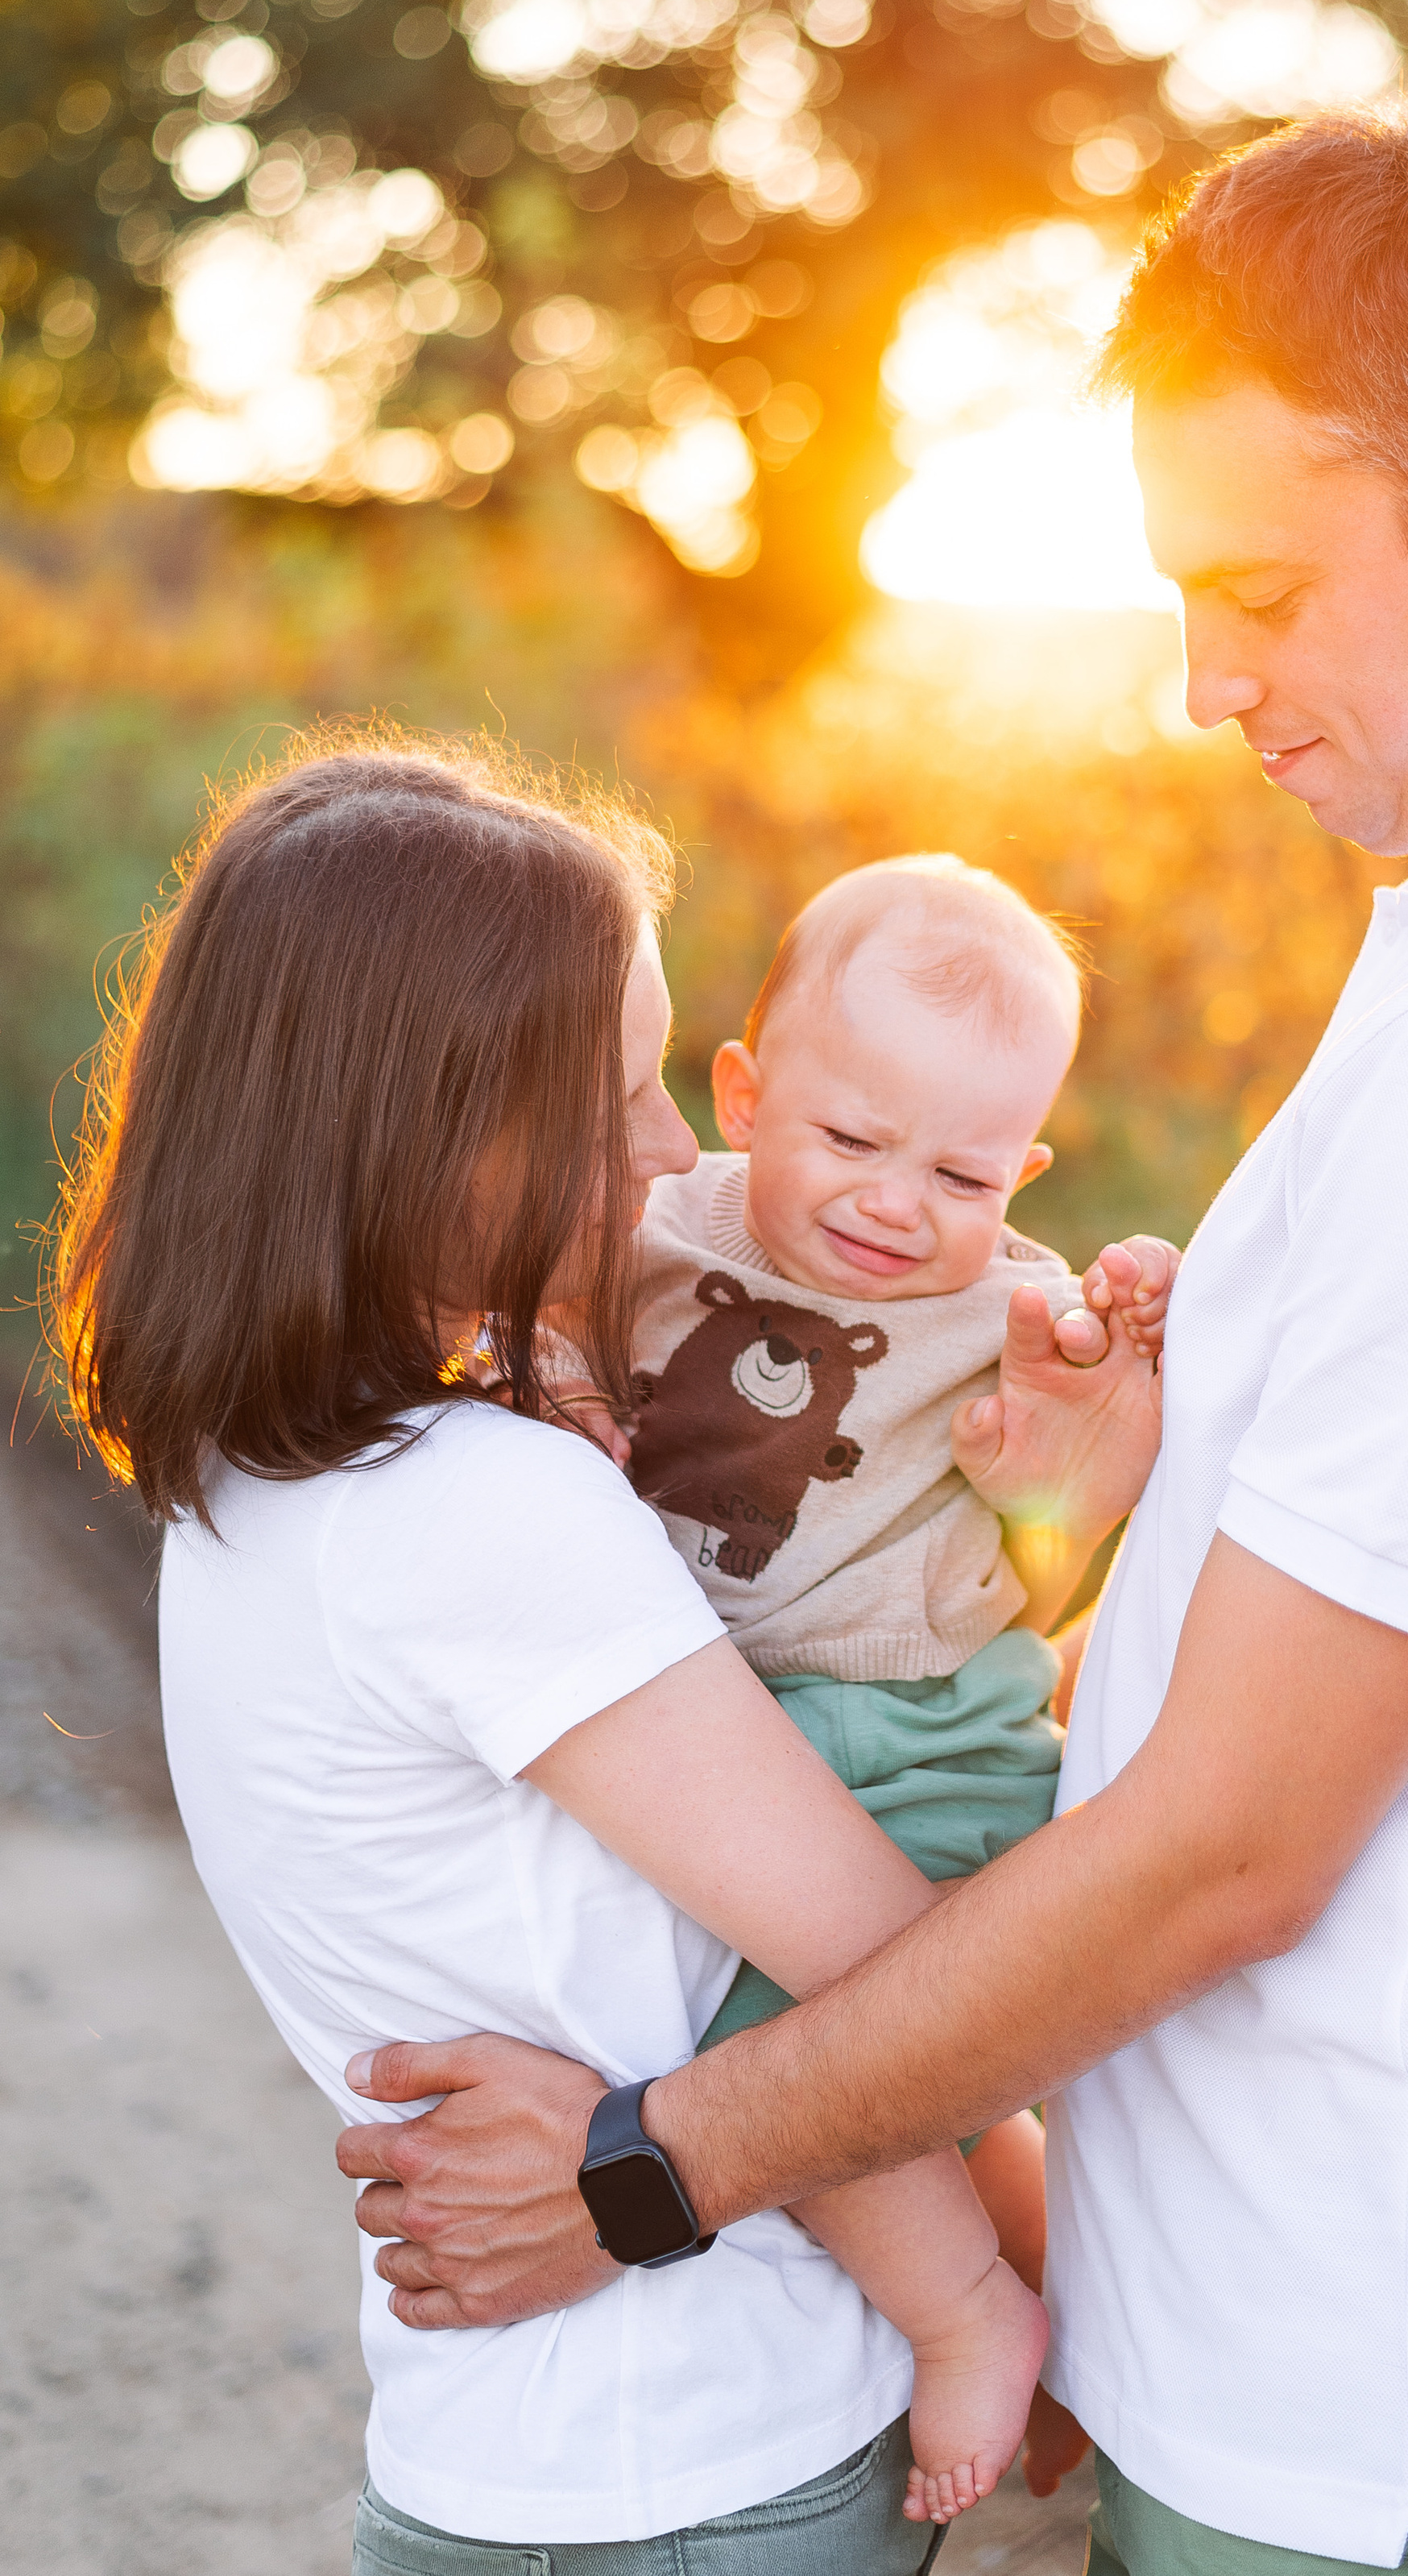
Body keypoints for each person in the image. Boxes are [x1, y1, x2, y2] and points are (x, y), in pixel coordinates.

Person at [338, 110, 1408, 2576]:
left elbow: (1235, 1849)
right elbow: (1279, 1677)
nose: (1202, 685)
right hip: (1323, 2382)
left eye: (1260, 591)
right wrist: (1080, 1523)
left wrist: (650, 2163)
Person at [48, 740, 1162, 2571]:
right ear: (431, 1133)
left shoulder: (266, 1474)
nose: (669, 1152)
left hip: (531, 2457)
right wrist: (1029, 2282)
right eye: (618, 1094)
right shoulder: (484, 1506)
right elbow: (896, 1974)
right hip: (694, 2469)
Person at [568, 850, 1174, 2429]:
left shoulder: (1011, 1317)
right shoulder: (653, 1232)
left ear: (1024, 1173)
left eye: (965, 1178)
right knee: (914, 2091)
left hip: (923, 1746)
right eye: (850, 1141)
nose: (897, 1205)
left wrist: (1092, 1398)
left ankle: (967, 2318)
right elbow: (536, 1325)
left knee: (803, 2060)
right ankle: (1058, 2297)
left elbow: (1056, 1520)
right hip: (727, 1740)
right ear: (744, 1094)